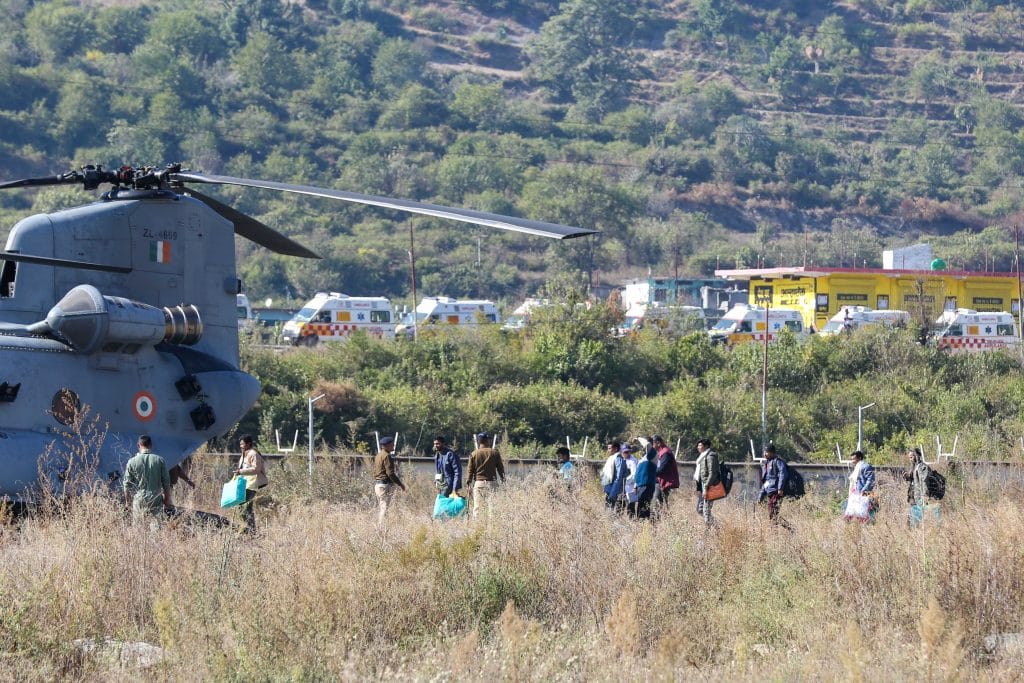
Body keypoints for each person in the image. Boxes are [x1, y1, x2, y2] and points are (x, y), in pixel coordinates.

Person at [123, 434, 171, 525]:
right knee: (156, 527)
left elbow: (126, 485)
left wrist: (127, 502)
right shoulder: (159, 460)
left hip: (139, 497)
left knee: (138, 527)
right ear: (151, 445)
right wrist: (166, 500)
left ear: (138, 445)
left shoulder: (132, 461)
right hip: (156, 497)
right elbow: (166, 482)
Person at [234, 434, 268, 534]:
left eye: (242, 444)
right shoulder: (245, 454)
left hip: (251, 484)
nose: (241, 446)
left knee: (246, 508)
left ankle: (251, 531)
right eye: (240, 444)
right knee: (241, 507)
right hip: (245, 484)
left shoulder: (253, 454)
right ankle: (248, 529)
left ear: (248, 444)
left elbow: (256, 469)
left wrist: (241, 472)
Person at [466, 432, 505, 518]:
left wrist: (468, 483)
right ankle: (492, 529)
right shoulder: (495, 453)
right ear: (487, 440)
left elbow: (470, 471)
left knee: (477, 509)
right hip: (492, 483)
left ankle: (477, 528)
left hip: (479, 483)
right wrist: (503, 479)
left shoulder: (473, 454)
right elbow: (500, 468)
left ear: (479, 442)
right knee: (492, 509)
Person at [373, 435, 406, 525]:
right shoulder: (387, 456)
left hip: (378, 485)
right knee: (384, 508)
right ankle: (381, 528)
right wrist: (400, 484)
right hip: (384, 485)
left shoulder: (378, 455)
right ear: (387, 445)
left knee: (383, 507)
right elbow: (390, 473)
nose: (393, 446)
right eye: (392, 445)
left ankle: (383, 527)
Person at [904, 448, 939, 526]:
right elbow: (914, 481)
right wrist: (907, 477)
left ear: (917, 456)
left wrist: (925, 496)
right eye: (909, 458)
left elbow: (924, 482)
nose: (910, 460)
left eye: (911, 457)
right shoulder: (914, 467)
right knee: (912, 521)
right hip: (914, 497)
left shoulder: (922, 467)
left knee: (920, 521)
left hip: (920, 497)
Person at [758, 443, 789, 524]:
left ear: (772, 453)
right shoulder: (767, 464)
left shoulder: (778, 462)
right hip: (770, 492)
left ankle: (777, 531)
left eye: (767, 452)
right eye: (765, 452)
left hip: (776, 492)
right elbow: (766, 482)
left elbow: (783, 474)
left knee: (772, 513)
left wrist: (780, 488)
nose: (765, 454)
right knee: (773, 514)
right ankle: (790, 529)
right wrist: (760, 498)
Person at [844, 450, 876, 523]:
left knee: (863, 513)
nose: (852, 461)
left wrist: (864, 490)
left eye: (854, 459)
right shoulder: (857, 467)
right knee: (854, 513)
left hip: (863, 494)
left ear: (859, 458)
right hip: (856, 494)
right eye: (851, 459)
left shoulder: (866, 466)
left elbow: (870, 480)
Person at [695, 438, 721, 527]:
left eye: (700, 445)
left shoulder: (710, 456)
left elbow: (712, 473)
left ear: (706, 446)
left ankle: (708, 535)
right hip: (704, 487)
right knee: (700, 509)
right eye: (698, 445)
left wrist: (706, 487)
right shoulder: (702, 456)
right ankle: (718, 527)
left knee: (706, 511)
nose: (698, 447)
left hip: (710, 487)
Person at [653, 435, 680, 507]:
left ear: (658, 443)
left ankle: (661, 518)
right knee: (661, 505)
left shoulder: (665, 453)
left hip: (665, 483)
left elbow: (662, 469)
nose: (652, 446)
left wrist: (650, 472)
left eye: (653, 444)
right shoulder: (661, 451)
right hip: (662, 482)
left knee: (658, 505)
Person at [630, 444, 656, 519]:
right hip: (640, 486)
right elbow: (637, 474)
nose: (643, 450)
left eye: (644, 448)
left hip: (647, 485)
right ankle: (641, 525)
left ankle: (646, 525)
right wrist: (635, 486)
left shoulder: (652, 456)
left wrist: (637, 438)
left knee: (644, 506)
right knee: (640, 506)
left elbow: (647, 444)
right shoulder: (642, 460)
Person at [603, 445, 628, 510]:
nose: (608, 450)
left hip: (614, 490)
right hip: (609, 488)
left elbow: (618, 477)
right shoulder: (611, 458)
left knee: (612, 511)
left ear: (615, 448)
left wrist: (613, 492)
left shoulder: (618, 459)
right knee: (607, 508)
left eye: (610, 448)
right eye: (608, 448)